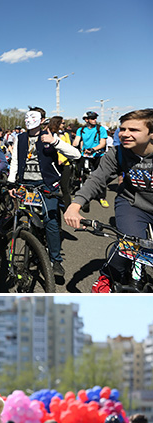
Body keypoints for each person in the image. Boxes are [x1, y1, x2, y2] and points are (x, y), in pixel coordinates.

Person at [64, 109, 153, 291]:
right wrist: (75, 205)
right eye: (122, 129)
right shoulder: (117, 153)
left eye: (133, 130)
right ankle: (108, 275)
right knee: (129, 243)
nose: (125, 134)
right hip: (133, 204)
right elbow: (97, 179)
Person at [8, 106, 80, 284]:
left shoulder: (51, 136)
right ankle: (33, 243)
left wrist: (55, 142)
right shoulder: (20, 138)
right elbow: (16, 161)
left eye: (34, 118)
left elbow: (76, 154)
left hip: (47, 185)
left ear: (42, 121)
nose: (29, 121)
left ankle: (55, 260)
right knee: (25, 218)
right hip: (26, 185)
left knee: (51, 222)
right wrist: (11, 182)